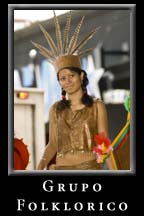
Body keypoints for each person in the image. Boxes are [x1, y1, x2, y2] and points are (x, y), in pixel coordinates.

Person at [32, 11, 115, 170]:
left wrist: (114, 171)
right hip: (60, 170)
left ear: (81, 76)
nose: (67, 81)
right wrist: (42, 162)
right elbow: (53, 144)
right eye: (62, 78)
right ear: (59, 82)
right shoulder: (56, 109)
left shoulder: (97, 107)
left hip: (89, 169)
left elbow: (104, 142)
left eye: (71, 75)